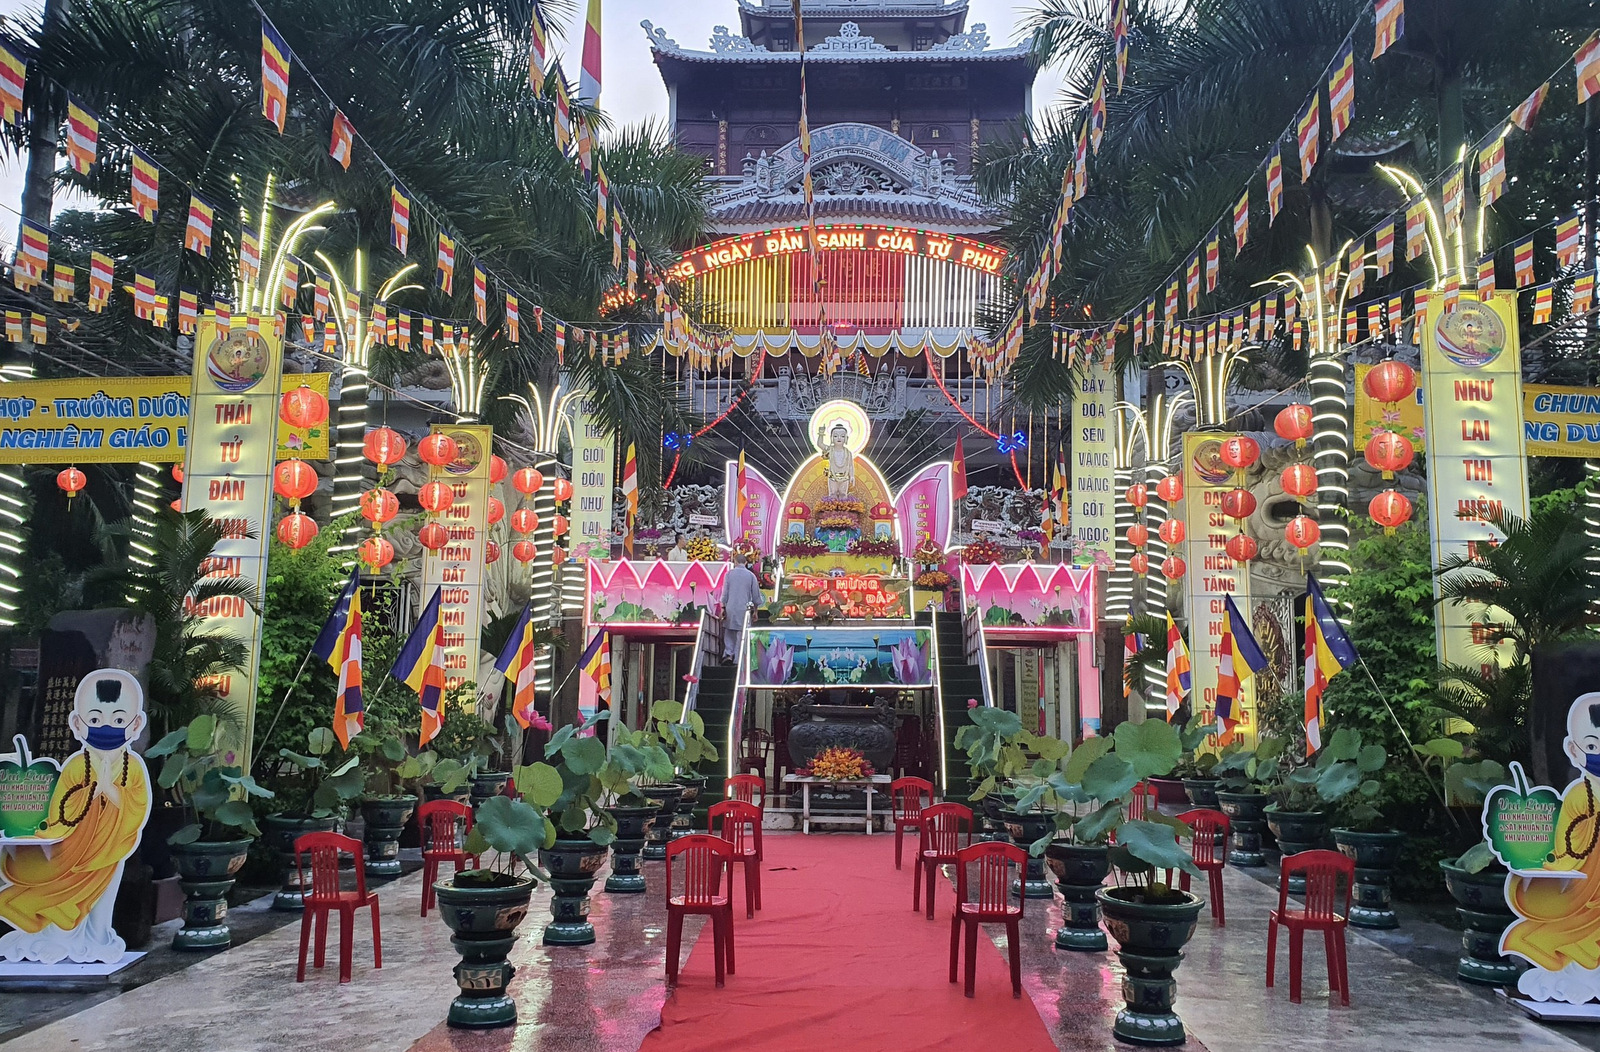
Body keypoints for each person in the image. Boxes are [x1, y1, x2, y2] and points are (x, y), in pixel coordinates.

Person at [0, 669, 152, 964]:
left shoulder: (132, 766)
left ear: (135, 725)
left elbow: (137, 809)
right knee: (56, 895)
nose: (105, 727)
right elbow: (60, 812)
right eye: (95, 720)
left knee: (103, 902)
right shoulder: (76, 765)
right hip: (72, 853)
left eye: (118, 721)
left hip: (110, 851)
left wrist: (112, 791)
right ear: (77, 724)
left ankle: (98, 940)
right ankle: (60, 938)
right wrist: (91, 792)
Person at [1504, 692, 1600, 1002]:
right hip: (1586, 890)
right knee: (1563, 931)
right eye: (1592, 747)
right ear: (1574, 750)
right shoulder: (1579, 796)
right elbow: (1568, 847)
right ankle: (1569, 980)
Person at [721, 553, 765, 661]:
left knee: (729, 631)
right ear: (745, 563)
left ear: (735, 562)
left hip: (730, 607)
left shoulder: (729, 574)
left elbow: (725, 593)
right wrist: (755, 611)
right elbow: (755, 595)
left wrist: (723, 608)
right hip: (744, 609)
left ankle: (728, 654)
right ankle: (738, 659)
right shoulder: (751, 576)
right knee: (741, 634)